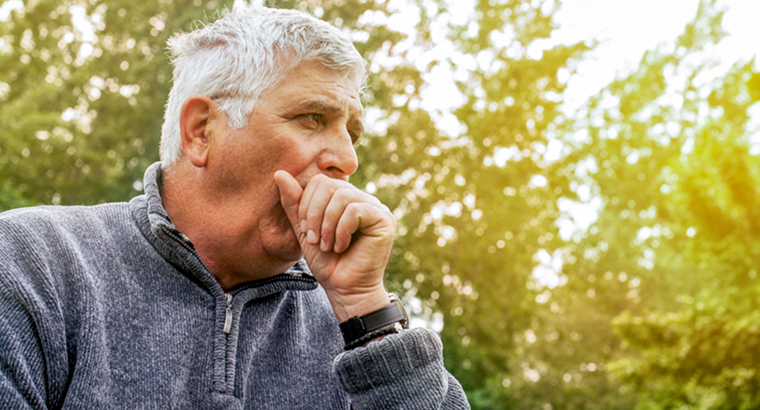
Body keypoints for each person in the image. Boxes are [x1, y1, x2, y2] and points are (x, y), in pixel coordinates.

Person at [0, 3, 470, 409]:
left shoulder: (352, 325)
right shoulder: (32, 264)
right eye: (313, 118)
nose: (348, 159)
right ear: (201, 131)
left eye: (352, 133)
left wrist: (367, 312)